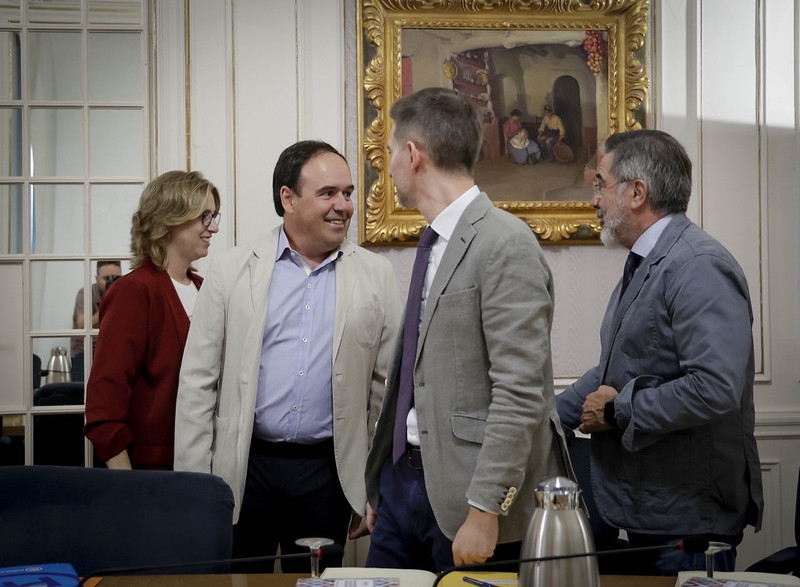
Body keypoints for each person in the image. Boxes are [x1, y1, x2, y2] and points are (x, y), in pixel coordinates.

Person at [365, 87, 571, 572]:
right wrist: (385, 480)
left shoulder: (505, 243)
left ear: (413, 155)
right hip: (403, 488)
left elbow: (520, 392)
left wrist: (485, 509)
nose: (388, 165)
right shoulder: (433, 239)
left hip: (470, 500)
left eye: (392, 152)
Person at [173, 140, 402, 573]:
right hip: (244, 470)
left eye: (348, 193)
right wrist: (193, 488)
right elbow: (198, 383)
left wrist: (374, 486)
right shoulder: (231, 270)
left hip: (329, 475)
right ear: (288, 198)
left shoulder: (377, 275)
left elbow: (386, 391)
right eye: (329, 193)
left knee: (317, 584)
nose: (343, 206)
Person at [556, 129, 763, 576]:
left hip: (687, 524)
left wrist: (616, 412)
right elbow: (616, 370)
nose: (593, 199)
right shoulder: (649, 262)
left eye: (599, 184)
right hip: (649, 511)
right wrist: (545, 420)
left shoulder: (698, 266)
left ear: (636, 192)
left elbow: (714, 387)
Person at [83, 171, 221, 470]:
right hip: (153, 475)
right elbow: (105, 404)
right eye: (205, 216)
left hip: (206, 465)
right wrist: (129, 487)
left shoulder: (205, 288)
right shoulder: (134, 291)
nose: (215, 227)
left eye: (214, 216)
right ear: (170, 219)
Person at [71, 260, 122, 358]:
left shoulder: (125, 293)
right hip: (85, 352)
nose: (111, 282)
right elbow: (82, 325)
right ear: (97, 279)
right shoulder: (86, 293)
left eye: (115, 278)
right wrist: (110, 304)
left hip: (112, 350)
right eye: (106, 278)